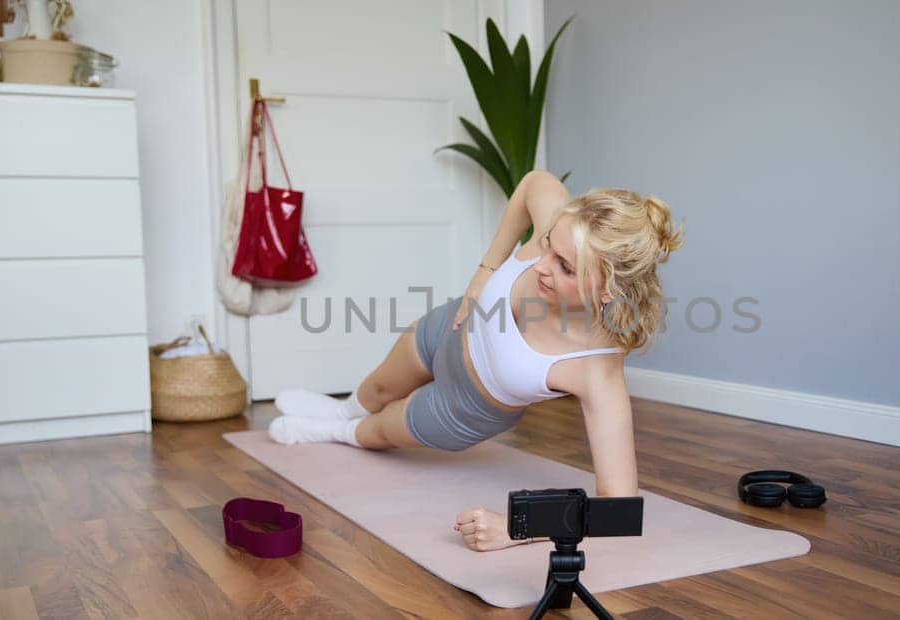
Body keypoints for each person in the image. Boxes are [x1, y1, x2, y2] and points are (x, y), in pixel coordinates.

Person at [267, 169, 683, 551]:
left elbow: (621, 508)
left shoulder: (596, 365)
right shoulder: (558, 225)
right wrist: (485, 271)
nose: (541, 264)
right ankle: (341, 409)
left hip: (465, 407)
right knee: (376, 388)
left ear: (607, 291)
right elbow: (533, 183)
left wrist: (518, 528)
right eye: (546, 243)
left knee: (379, 429)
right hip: (450, 326)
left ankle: (335, 431)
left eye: (565, 267)